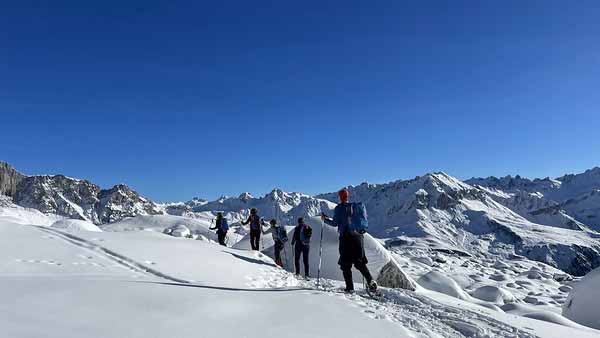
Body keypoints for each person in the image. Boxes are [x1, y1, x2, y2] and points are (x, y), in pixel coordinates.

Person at [322, 188, 377, 293]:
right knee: (360, 262)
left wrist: (325, 219)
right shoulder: (355, 207)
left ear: (340, 197)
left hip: (346, 238)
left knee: (345, 264)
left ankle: (350, 288)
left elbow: (335, 223)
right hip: (358, 237)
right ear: (348, 196)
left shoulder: (339, 208)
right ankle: (370, 281)